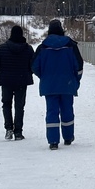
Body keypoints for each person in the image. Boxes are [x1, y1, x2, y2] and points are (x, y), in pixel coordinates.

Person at [32, 19, 83, 150]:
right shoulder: (71, 45)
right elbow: (79, 65)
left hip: (49, 85)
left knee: (52, 112)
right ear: (62, 29)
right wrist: (76, 80)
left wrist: (44, 76)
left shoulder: (42, 47)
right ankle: (68, 137)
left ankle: (53, 141)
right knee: (67, 110)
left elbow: (34, 66)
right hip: (67, 83)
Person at [0, 25, 35, 141]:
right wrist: (27, 73)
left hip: (6, 80)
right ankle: (18, 132)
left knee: (6, 104)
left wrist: (2, 72)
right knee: (19, 106)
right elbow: (33, 64)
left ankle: (8, 129)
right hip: (22, 80)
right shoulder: (28, 49)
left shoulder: (2, 48)